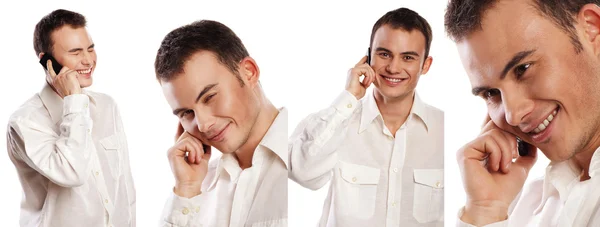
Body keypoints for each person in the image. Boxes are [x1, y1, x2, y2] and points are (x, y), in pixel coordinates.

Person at [445, 0, 600, 226]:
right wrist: (486, 211)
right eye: (491, 93)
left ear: (591, 28)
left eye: (523, 68)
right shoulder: (526, 206)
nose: (513, 115)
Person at [289, 7, 444, 227]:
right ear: (368, 56)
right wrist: (349, 97)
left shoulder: (446, 131)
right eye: (384, 54)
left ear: (425, 65)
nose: (393, 67)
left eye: (407, 57)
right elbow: (302, 172)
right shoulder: (340, 122)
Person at [6, 9, 136, 227]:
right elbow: (72, 173)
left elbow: (124, 186)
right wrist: (74, 101)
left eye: (91, 49)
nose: (88, 60)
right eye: (75, 52)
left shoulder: (107, 106)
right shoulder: (24, 122)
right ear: (46, 61)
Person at [155, 20, 287, 227]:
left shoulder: (310, 158)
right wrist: (187, 189)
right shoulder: (197, 190)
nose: (204, 125)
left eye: (209, 97)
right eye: (187, 113)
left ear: (249, 72)